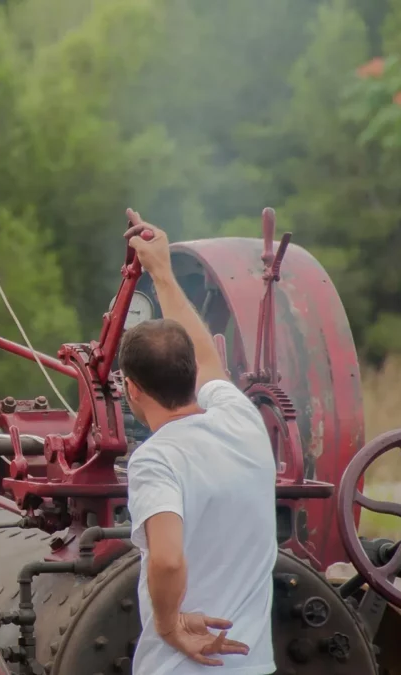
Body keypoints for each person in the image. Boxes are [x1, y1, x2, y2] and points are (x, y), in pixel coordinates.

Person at [120, 208, 277, 674]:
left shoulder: (156, 460)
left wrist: (168, 626)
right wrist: (162, 271)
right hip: (254, 665)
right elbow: (209, 357)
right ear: (190, 373)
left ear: (132, 388)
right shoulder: (243, 421)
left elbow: (167, 560)